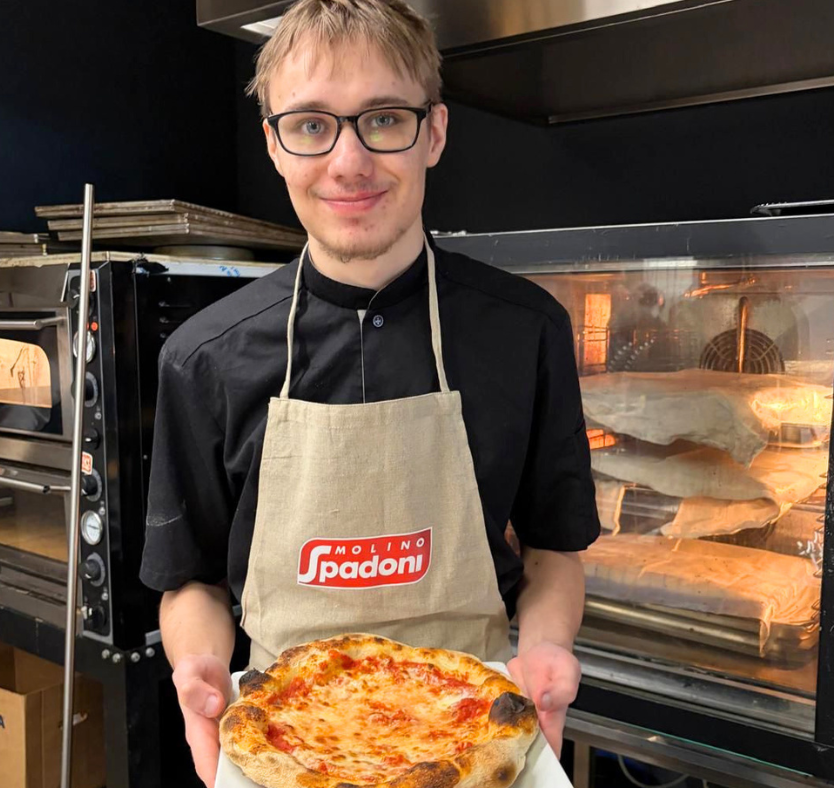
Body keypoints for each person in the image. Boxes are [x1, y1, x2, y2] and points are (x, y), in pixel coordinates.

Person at [139, 1, 600, 785]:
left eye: (384, 119)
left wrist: (547, 646)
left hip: (470, 728)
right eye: (311, 125)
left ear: (435, 132)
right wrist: (199, 665)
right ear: (274, 145)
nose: (348, 162)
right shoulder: (204, 357)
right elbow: (192, 583)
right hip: (290, 732)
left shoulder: (527, 332)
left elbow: (554, 550)